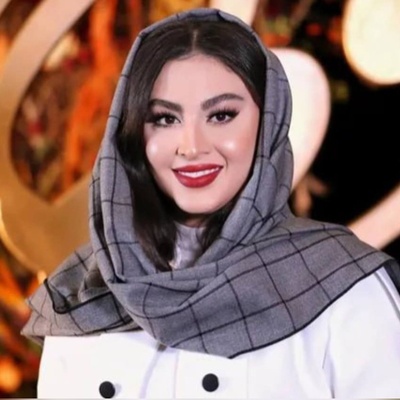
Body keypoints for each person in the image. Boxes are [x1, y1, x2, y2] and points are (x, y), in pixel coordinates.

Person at [22, 8, 400, 399]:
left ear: (268, 124)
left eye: (221, 115)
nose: (192, 146)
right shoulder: (80, 296)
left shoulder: (343, 289)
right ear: (131, 133)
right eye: (165, 119)